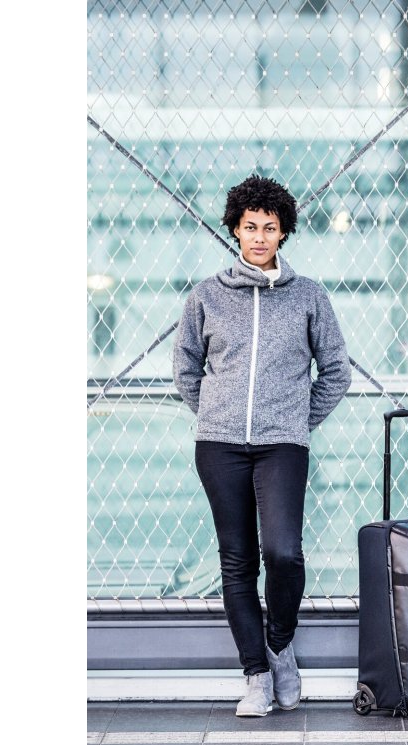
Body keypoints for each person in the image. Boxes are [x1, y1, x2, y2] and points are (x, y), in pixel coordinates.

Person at [173, 175, 352, 717]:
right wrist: (215, 414)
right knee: (237, 562)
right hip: (219, 446)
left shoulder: (309, 296)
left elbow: (337, 371)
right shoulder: (206, 296)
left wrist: (297, 420)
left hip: (282, 445)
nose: (258, 237)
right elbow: (186, 369)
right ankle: (255, 677)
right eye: (249, 226)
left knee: (283, 553)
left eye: (269, 228)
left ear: (283, 233)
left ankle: (279, 645)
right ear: (235, 229)